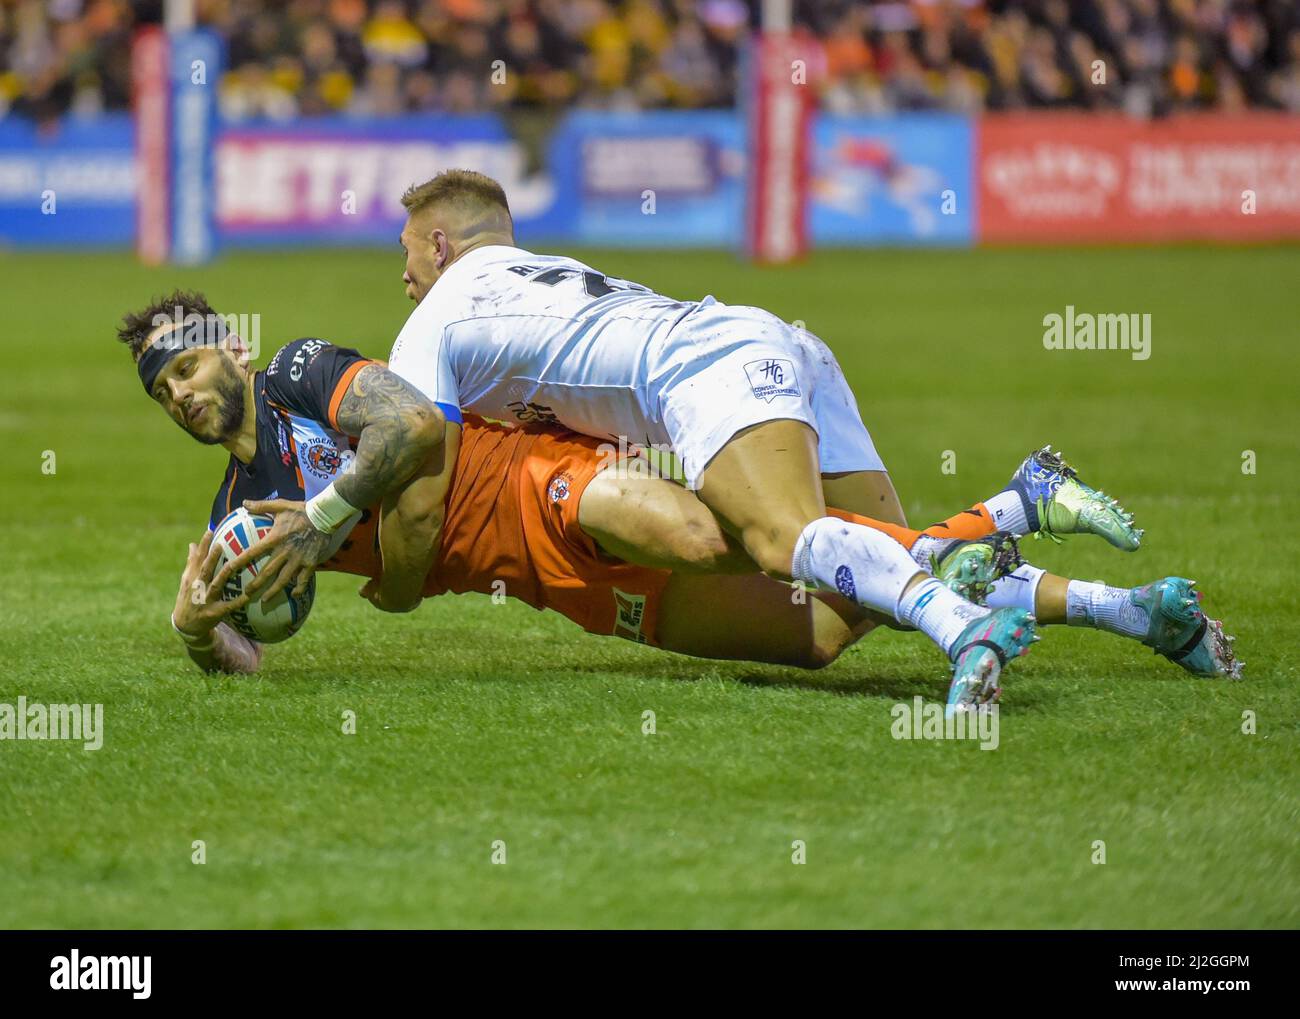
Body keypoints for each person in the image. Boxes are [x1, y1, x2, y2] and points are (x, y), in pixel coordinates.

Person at [117, 291, 1240, 687]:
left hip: (536, 483)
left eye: (185, 364)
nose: (180, 393)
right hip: (539, 582)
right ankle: (1105, 588)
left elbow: (412, 430)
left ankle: (1009, 519)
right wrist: (194, 625)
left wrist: (341, 539)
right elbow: (251, 642)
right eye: (160, 388)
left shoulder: (304, 371)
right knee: (822, 627)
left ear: (229, 346)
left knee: (719, 537)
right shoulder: (233, 515)